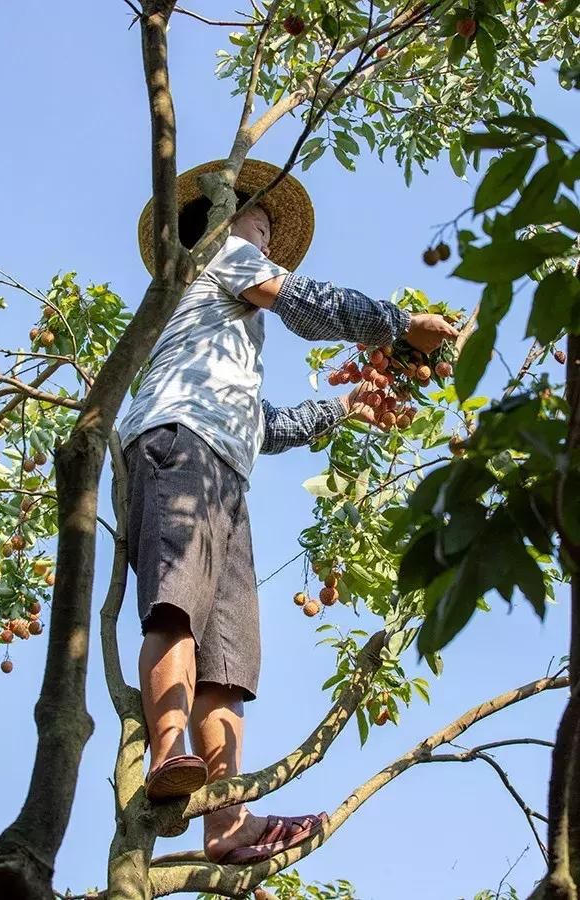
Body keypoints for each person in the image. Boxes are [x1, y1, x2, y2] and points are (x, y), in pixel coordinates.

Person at [117, 159, 457, 864]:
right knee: (176, 606)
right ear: (218, 221)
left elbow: (259, 425)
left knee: (228, 665)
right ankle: (168, 749)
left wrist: (345, 407)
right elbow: (306, 304)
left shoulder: (225, 336)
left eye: (268, 230)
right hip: (181, 443)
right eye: (259, 223)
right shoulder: (218, 256)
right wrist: (396, 327)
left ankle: (225, 819)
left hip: (223, 468)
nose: (264, 241)